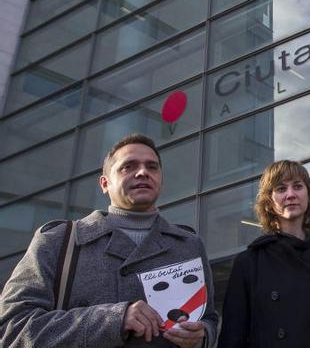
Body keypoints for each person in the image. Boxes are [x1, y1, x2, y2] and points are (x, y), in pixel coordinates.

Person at [0, 133, 219, 347]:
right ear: (105, 183)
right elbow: (13, 327)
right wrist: (114, 319)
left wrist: (202, 336)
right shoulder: (58, 241)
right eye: (128, 166)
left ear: (160, 179)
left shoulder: (190, 245)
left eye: (152, 167)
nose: (143, 172)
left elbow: (209, 318)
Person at [218, 160, 310, 348]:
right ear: (269, 202)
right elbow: (232, 337)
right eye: (281, 189)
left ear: (309, 195)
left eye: (297, 186)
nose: (290, 194)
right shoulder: (249, 262)